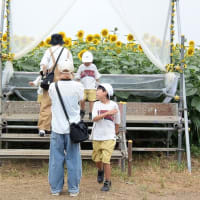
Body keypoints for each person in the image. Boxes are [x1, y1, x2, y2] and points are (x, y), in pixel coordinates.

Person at [48, 60, 84, 197]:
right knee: (73, 158)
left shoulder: (53, 87)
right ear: (72, 72)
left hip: (57, 127)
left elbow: (52, 100)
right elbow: (81, 101)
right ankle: (73, 189)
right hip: (73, 128)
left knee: (56, 159)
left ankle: (55, 189)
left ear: (59, 71)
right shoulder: (78, 86)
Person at [38, 33, 73, 137]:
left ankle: (43, 128)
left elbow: (43, 66)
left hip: (51, 80)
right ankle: (62, 128)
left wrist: (43, 75)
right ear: (61, 42)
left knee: (46, 104)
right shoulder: (67, 52)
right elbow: (71, 67)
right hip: (64, 80)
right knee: (64, 103)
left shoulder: (49, 51)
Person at [91, 83, 120, 192]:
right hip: (97, 135)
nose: (96, 92)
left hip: (109, 136)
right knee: (97, 160)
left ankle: (107, 182)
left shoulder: (114, 105)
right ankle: (100, 170)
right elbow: (94, 118)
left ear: (105, 92)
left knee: (106, 160)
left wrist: (114, 133)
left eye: (99, 90)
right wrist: (107, 113)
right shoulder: (96, 105)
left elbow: (117, 121)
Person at [76, 51, 101, 120]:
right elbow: (78, 76)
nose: (87, 63)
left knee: (92, 100)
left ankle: (91, 113)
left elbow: (97, 76)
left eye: (88, 62)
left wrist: (98, 85)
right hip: (82, 87)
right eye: (85, 62)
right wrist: (78, 85)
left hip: (92, 87)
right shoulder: (81, 67)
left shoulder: (93, 67)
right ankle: (82, 111)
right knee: (82, 100)